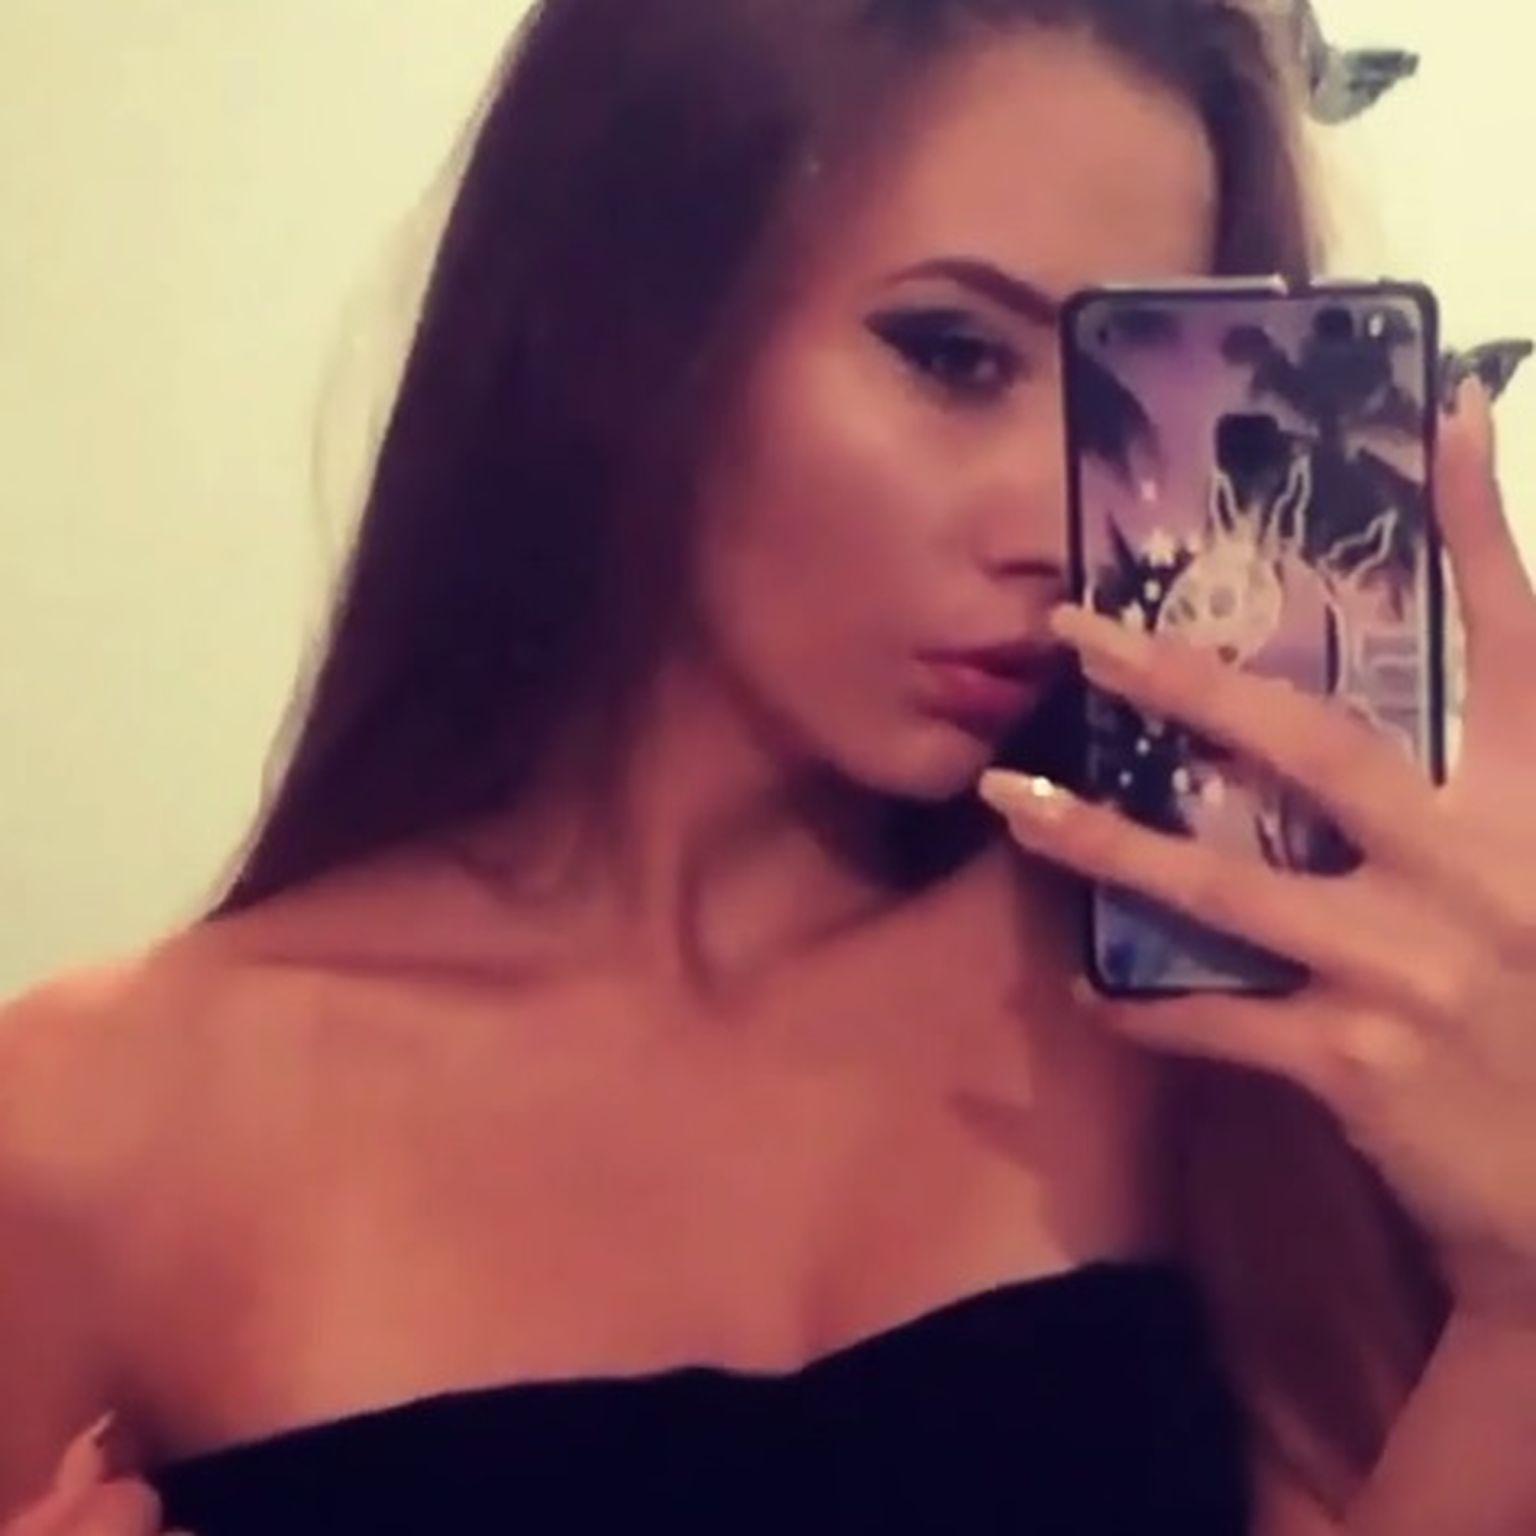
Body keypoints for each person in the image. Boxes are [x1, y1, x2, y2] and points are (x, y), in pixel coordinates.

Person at [4, 0, 1535, 1532]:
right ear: (625, 313)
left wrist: (1520, 1305)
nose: (1056, 524)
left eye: (1117, 401)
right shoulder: (97, 1127)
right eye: (953, 355)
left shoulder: (1183, 1010)